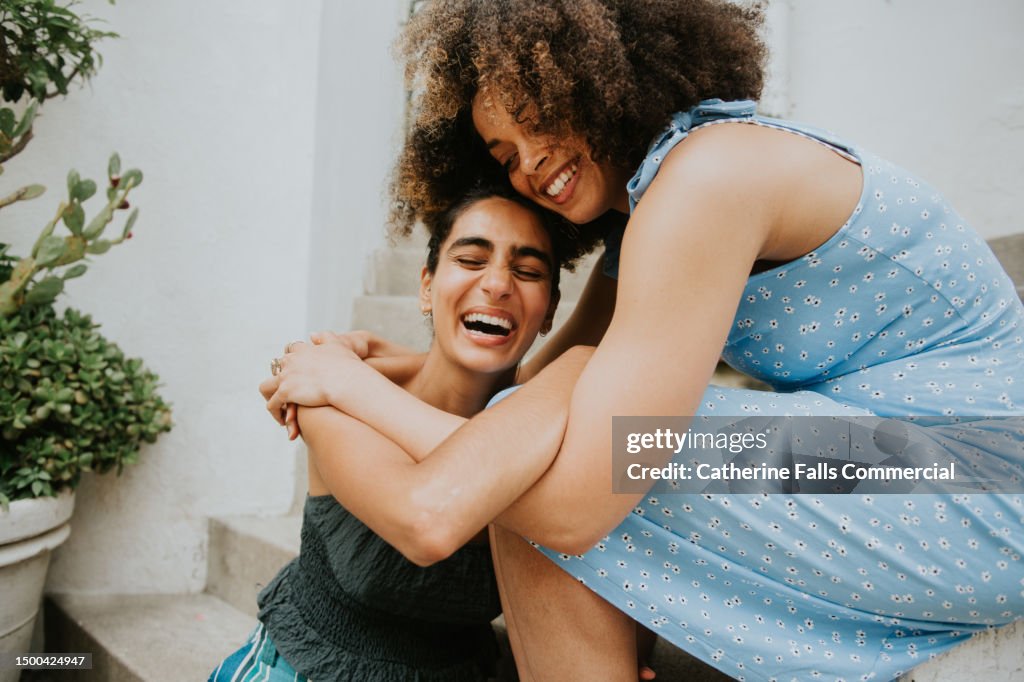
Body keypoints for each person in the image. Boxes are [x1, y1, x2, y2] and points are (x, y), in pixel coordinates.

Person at [261, 1, 1024, 680]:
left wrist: (354, 392)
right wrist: (391, 362)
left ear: (596, 77)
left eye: (539, 115)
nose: (529, 163)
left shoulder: (706, 179)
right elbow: (535, 375)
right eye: (502, 155)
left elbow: (573, 499)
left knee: (563, 476)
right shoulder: (656, 208)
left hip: (976, 474)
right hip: (895, 461)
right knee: (559, 420)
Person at [212, 185, 577, 682]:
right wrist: (349, 380)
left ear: (550, 308)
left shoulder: (344, 379)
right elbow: (425, 522)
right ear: (426, 286)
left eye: (528, 271)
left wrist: (352, 377)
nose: (497, 284)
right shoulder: (325, 397)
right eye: (470, 260)